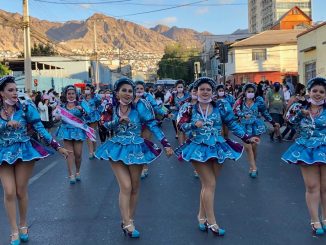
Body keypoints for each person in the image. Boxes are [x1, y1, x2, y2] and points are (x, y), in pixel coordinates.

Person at [175, 77, 259, 236]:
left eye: (208, 89)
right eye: (202, 89)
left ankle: (201, 216)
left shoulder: (221, 105)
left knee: (207, 186)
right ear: (196, 91)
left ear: (212, 92)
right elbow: (180, 126)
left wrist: (246, 137)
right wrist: (194, 124)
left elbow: (232, 123)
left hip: (217, 147)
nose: (205, 92)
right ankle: (212, 222)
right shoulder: (188, 108)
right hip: (198, 147)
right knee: (210, 183)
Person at [95, 78, 173, 238]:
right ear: (117, 93)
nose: (127, 94)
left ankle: (130, 219)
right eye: (124, 90)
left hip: (136, 149)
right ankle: (127, 223)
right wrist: (118, 121)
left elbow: (152, 124)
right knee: (126, 186)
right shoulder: (110, 107)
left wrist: (166, 144)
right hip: (116, 148)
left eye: (130, 91)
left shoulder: (140, 107)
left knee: (135, 187)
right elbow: (102, 125)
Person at [0, 76, 70, 245]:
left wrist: (57, 146)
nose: (15, 93)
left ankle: (23, 224)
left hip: (24, 151)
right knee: (9, 191)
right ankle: (14, 230)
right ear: (1, 93)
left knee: (20, 191)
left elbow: (40, 129)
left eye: (16, 89)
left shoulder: (25, 107)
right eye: (10, 90)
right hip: (3, 153)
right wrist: (6, 125)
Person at [281, 77, 326, 236]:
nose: (318, 94)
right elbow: (289, 123)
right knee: (312, 186)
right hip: (306, 150)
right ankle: (315, 220)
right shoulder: (299, 107)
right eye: (315, 91)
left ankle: (325, 218)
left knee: (325, 187)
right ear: (309, 92)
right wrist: (301, 114)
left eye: (321, 91)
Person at [233, 83, 280, 178]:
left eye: (252, 92)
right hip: (244, 127)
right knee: (247, 147)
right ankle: (254, 167)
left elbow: (265, 113)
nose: (250, 93)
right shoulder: (240, 101)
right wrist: (243, 115)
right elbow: (235, 111)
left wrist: (273, 122)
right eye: (248, 91)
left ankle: (252, 165)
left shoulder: (258, 101)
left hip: (256, 126)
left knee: (254, 147)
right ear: (245, 92)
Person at [134, 80, 172, 179]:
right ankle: (138, 166)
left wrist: (166, 112)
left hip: (147, 124)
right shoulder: (131, 97)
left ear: (144, 89)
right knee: (136, 145)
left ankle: (144, 166)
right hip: (134, 126)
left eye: (141, 88)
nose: (139, 90)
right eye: (137, 88)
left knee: (145, 144)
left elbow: (156, 107)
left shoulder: (148, 96)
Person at [55, 85, 92, 184]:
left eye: (73, 93)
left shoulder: (81, 104)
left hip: (78, 131)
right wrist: (57, 117)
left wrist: (82, 110)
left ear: (76, 94)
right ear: (66, 95)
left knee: (78, 154)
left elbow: (89, 116)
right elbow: (55, 117)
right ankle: (71, 174)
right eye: (69, 94)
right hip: (66, 131)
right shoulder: (62, 106)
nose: (71, 95)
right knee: (69, 153)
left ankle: (78, 172)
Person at [83, 84, 102, 159]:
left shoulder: (95, 98)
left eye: (88, 89)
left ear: (91, 90)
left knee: (92, 133)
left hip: (94, 117)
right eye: (85, 89)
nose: (86, 90)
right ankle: (91, 152)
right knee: (88, 135)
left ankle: (94, 150)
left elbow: (99, 106)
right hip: (85, 117)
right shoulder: (82, 98)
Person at [169, 79, 190, 144]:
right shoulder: (173, 95)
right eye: (179, 87)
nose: (180, 88)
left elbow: (190, 104)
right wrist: (175, 108)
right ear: (176, 88)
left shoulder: (188, 95)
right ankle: (181, 146)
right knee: (179, 131)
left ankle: (187, 145)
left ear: (183, 87)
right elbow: (170, 105)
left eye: (181, 87)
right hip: (176, 115)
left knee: (186, 130)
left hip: (186, 115)